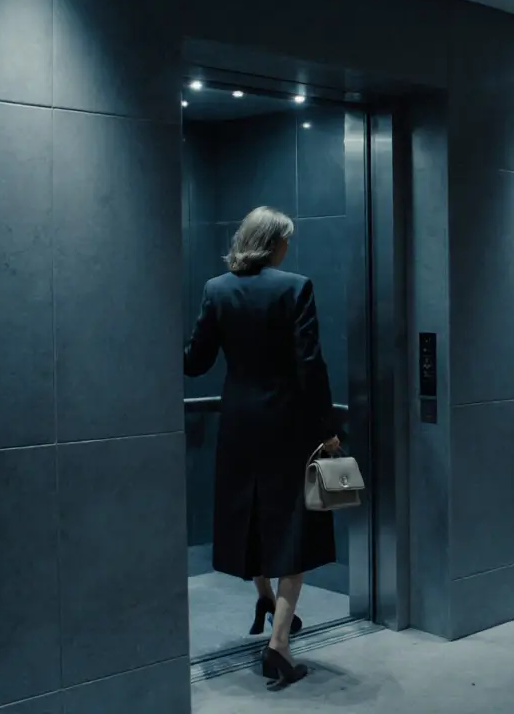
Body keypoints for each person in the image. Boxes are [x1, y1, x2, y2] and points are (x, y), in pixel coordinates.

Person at [184, 206, 341, 689]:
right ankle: (278, 645)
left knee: (246, 516)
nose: (287, 249)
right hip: (287, 426)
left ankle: (268, 601)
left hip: (237, 425)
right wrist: (328, 428)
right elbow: (309, 365)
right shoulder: (295, 287)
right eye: (285, 241)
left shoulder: (216, 289)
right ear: (274, 243)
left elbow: (195, 362)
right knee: (293, 527)